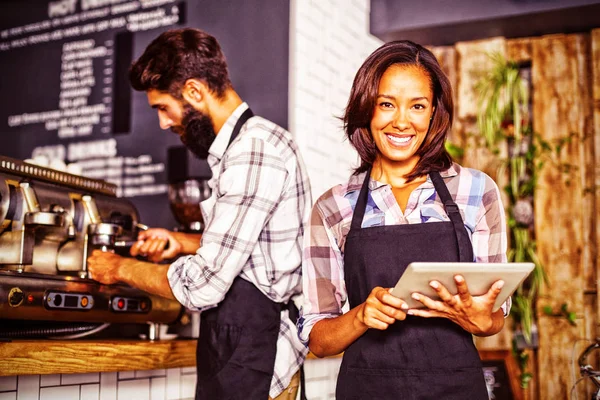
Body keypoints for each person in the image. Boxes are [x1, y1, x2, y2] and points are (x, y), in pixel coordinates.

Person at [87, 28, 312, 400]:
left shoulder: (252, 152)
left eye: (163, 107)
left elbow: (203, 285)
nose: (162, 122)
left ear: (194, 92)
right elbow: (255, 250)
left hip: (258, 359)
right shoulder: (249, 146)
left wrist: (117, 268)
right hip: (244, 351)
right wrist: (180, 243)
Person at [298, 40, 509, 399]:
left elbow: (494, 318)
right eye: (386, 104)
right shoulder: (334, 207)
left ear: (433, 114)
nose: (401, 121)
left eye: (417, 106)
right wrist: (361, 315)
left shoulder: (476, 192)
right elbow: (320, 340)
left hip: (456, 389)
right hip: (367, 389)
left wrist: (479, 318)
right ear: (367, 109)